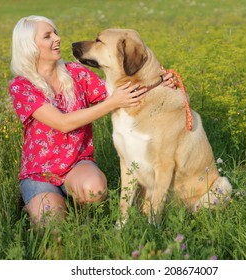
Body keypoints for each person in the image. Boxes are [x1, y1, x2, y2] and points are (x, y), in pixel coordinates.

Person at [9, 15, 175, 228]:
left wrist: (160, 82)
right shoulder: (21, 86)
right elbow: (62, 122)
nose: (57, 39)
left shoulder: (75, 73)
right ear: (30, 46)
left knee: (94, 189)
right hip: (40, 174)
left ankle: (81, 213)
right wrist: (112, 103)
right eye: (48, 36)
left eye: (56, 33)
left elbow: (122, 96)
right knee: (53, 228)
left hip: (77, 165)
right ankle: (35, 202)